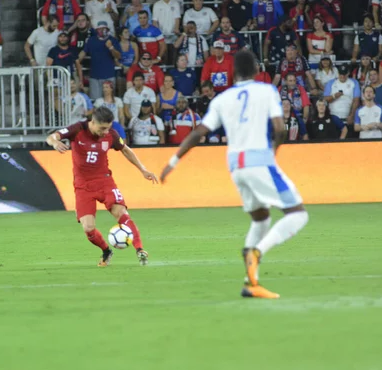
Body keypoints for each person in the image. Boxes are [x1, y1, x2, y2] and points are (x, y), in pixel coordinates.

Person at [160, 50, 308, 299]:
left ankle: (251, 283)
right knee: (298, 214)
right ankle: (257, 252)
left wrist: (172, 161)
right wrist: (273, 151)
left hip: (235, 166)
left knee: (261, 219)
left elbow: (198, 133)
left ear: (233, 73)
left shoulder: (222, 99)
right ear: (256, 70)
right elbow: (279, 128)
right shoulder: (266, 91)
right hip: (259, 161)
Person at [46, 106, 157, 267]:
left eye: (108, 128)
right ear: (93, 122)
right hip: (83, 186)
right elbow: (51, 136)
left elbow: (125, 150)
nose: (106, 132)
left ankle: (140, 249)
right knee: (88, 228)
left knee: (121, 213)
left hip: (105, 181)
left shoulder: (111, 135)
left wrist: (143, 170)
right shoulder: (78, 129)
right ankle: (106, 251)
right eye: (102, 128)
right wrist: (55, 142)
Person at [79, 20, 121, 100]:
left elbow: (118, 56)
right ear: (97, 30)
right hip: (94, 76)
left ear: (107, 30)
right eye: (100, 29)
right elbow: (83, 52)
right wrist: (77, 60)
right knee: (95, 101)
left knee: (109, 100)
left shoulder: (113, 40)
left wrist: (111, 48)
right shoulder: (91, 40)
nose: (102, 31)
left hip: (109, 76)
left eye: (104, 29)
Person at [324, 64, 361, 137]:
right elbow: (325, 99)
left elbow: (356, 100)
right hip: (333, 116)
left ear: (348, 73)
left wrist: (352, 115)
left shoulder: (354, 82)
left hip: (347, 117)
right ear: (338, 73)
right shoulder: (331, 83)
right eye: (341, 74)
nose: (342, 76)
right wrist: (334, 96)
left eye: (344, 74)